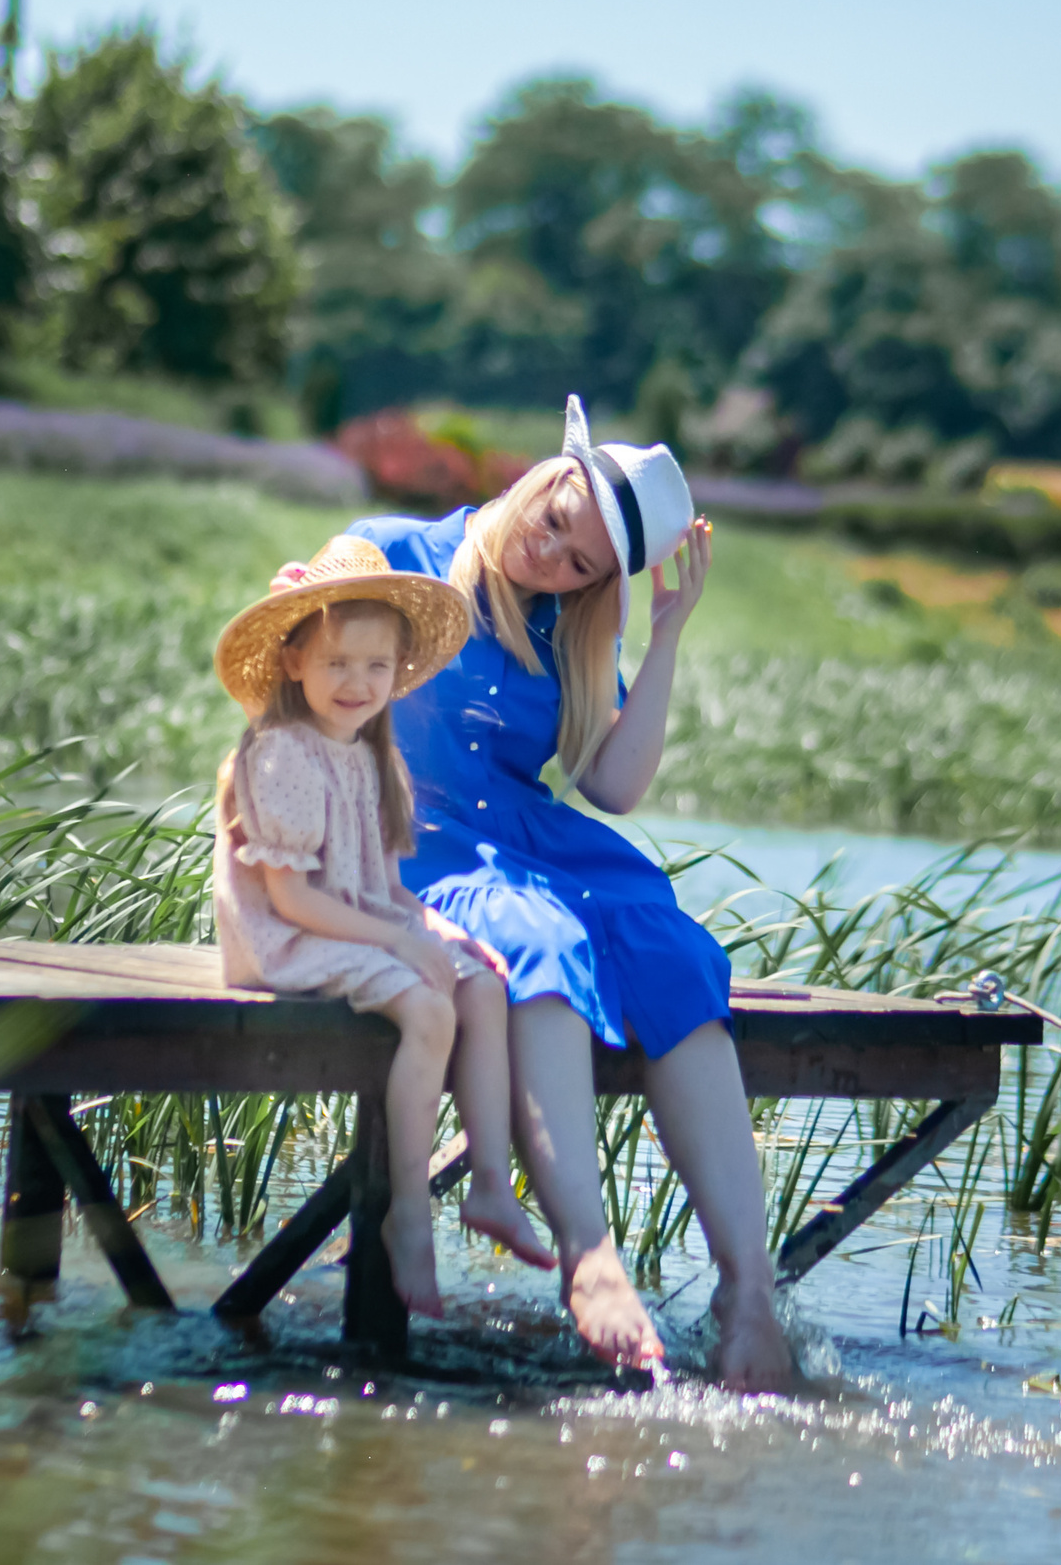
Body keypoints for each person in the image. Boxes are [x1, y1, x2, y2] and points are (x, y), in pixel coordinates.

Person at [324, 396, 797, 1391]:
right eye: (556, 518)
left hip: (521, 835)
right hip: (411, 839)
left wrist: (663, 632)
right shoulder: (390, 552)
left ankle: (747, 1288)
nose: (551, 554)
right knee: (533, 936)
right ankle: (590, 1254)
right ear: (547, 473)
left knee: (669, 952)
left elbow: (612, 787)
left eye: (581, 562)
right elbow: (298, 681)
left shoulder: (566, 624)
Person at [211, 535, 557, 1317]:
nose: (357, 683)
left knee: (480, 984)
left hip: (353, 926)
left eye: (376, 667)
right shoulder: (281, 755)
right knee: (428, 1007)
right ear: (296, 661)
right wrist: (401, 943)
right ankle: (408, 1213)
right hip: (287, 941)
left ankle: (494, 1188)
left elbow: (387, 891)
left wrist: (435, 930)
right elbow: (294, 902)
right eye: (337, 663)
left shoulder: (371, 759)